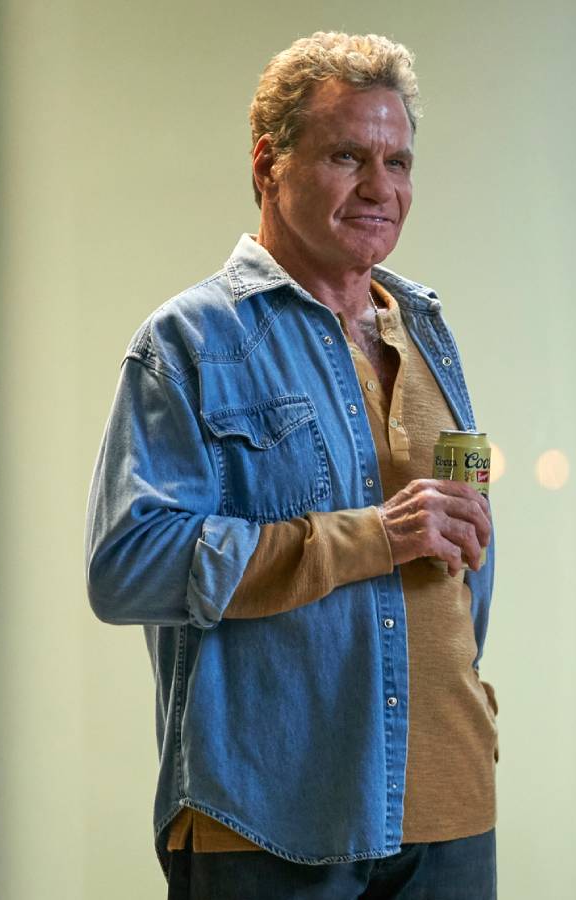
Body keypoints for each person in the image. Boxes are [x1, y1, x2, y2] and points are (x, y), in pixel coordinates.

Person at [85, 31, 499, 899]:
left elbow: (463, 551)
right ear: (268, 164)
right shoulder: (190, 341)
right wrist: (370, 538)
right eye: (348, 156)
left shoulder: (427, 328)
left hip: (451, 809)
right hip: (272, 816)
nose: (381, 187)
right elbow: (127, 567)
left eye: (397, 161)